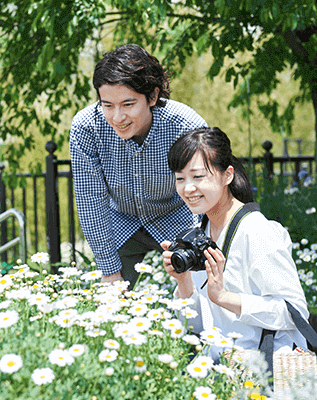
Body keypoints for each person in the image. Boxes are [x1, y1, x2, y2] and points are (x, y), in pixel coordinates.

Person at [161, 126, 308, 360]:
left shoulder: (256, 231)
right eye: (180, 179)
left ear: (227, 175)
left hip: (263, 373)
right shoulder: (202, 233)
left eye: (198, 176)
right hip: (220, 370)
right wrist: (183, 281)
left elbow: (295, 312)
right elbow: (196, 328)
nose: (188, 188)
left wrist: (224, 297)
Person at [70, 44, 207, 288]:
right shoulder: (86, 128)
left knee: (200, 296)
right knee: (111, 302)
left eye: (128, 104)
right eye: (107, 105)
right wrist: (109, 271)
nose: (117, 117)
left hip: (177, 215)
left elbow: (206, 189)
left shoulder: (185, 125)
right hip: (120, 220)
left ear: (152, 96)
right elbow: (90, 200)